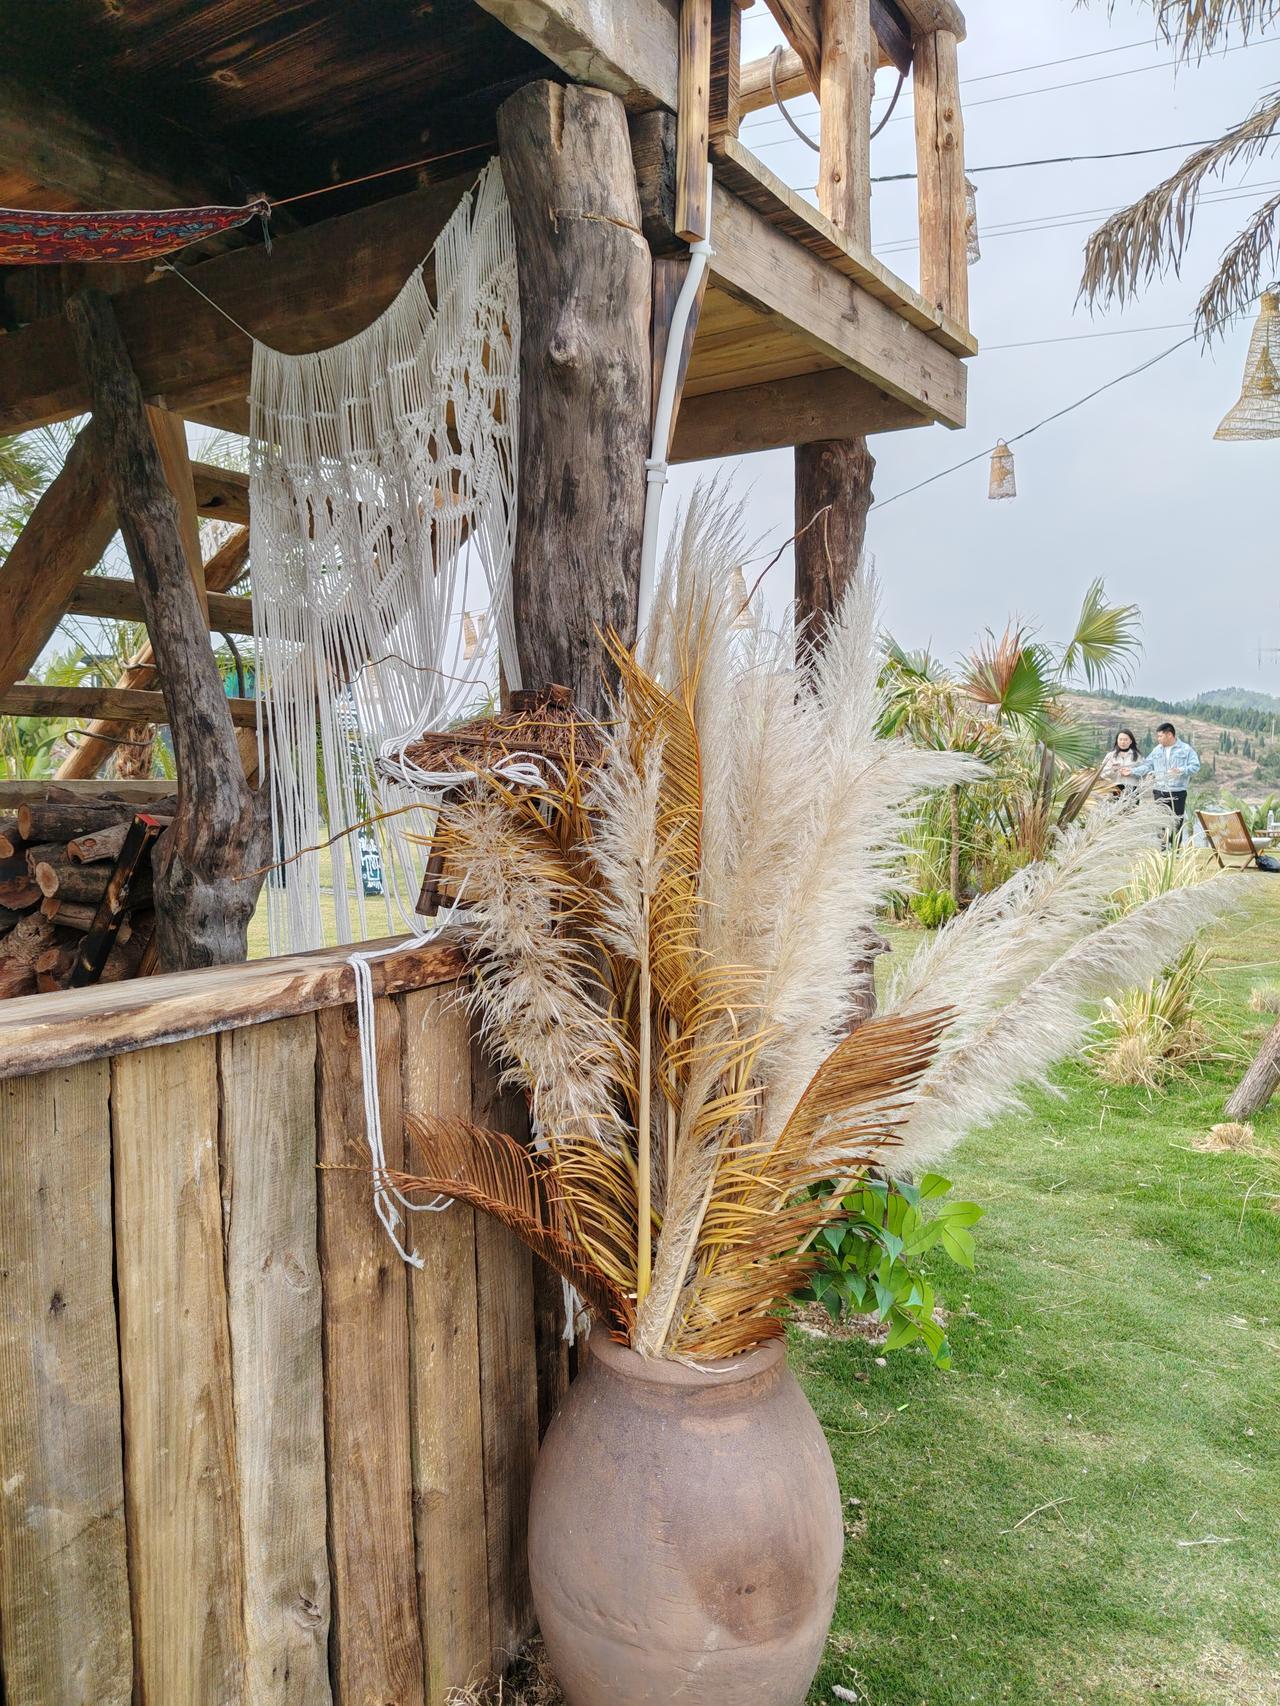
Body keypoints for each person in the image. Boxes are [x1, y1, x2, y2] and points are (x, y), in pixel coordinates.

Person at [1129, 722, 1201, 842]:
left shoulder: (1186, 749)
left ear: (1169, 734)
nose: (1158, 739)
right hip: (1159, 791)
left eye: (1160, 736)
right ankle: (1162, 851)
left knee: (1176, 822)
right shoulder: (1157, 750)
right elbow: (1148, 765)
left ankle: (1175, 853)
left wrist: (1181, 770)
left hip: (1177, 791)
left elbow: (1195, 766)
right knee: (1160, 821)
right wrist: (1132, 771)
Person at [1099, 727, 1143, 795]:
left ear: (1131, 741)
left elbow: (1144, 773)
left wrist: (1131, 772)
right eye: (1120, 739)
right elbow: (1102, 774)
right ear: (1117, 740)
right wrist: (1113, 770)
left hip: (1133, 789)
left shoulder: (1138, 756)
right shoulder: (1110, 756)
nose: (1123, 742)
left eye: (1125, 740)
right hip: (1115, 789)